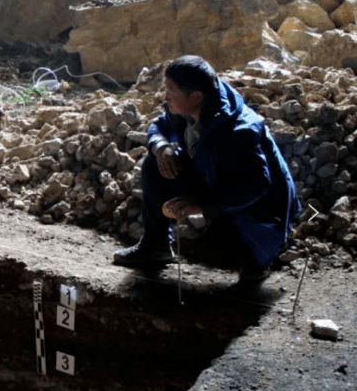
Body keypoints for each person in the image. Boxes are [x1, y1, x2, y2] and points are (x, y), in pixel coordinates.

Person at [113, 55, 300, 285]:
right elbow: (159, 126)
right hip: (214, 177)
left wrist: (202, 206)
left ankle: (258, 259)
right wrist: (161, 147)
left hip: (260, 208)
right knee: (155, 165)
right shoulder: (187, 105)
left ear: (196, 96)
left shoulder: (239, 131)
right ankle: (155, 245)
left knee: (215, 253)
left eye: (171, 89)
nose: (165, 96)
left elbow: (257, 185)